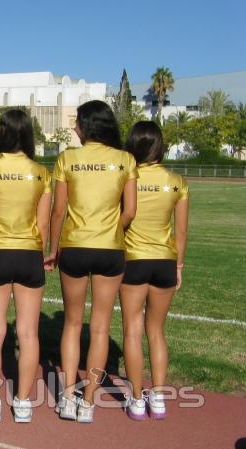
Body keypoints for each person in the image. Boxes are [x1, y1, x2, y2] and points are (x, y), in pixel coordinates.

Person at [45, 100, 138, 423]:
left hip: (74, 246)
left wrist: (52, 248)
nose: (74, 128)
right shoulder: (126, 159)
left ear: (87, 126)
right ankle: (88, 403)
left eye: (77, 123)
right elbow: (130, 211)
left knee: (72, 323)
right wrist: (112, 232)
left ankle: (67, 397)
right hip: (110, 248)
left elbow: (58, 211)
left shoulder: (68, 159)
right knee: (99, 328)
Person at [0, 109, 52, 423]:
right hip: (29, 253)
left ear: (2, 134)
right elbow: (44, 224)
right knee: (29, 334)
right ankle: (22, 403)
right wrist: (42, 253)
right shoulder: (40, 173)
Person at [120, 121, 188, 421]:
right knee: (156, 330)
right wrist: (179, 265)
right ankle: (158, 397)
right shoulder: (177, 181)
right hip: (164, 261)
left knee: (132, 330)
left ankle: (136, 399)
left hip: (132, 260)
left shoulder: (127, 178)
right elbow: (181, 232)